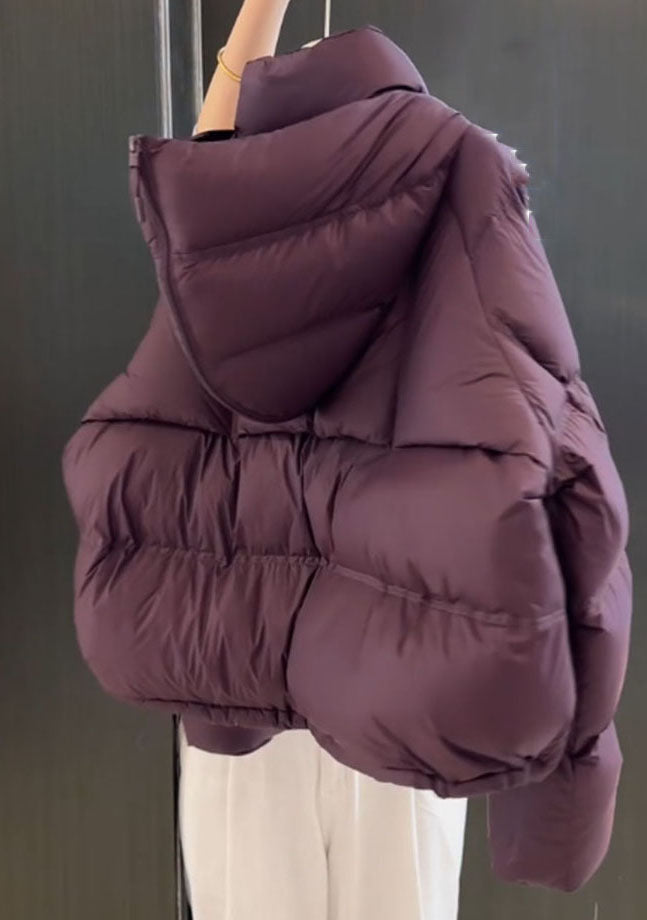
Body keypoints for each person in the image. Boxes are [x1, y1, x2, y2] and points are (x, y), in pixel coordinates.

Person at [177, 2, 468, 918]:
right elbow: (204, 164)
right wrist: (263, 11)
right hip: (255, 685)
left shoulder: (450, 273)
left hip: (392, 685)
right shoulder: (226, 275)